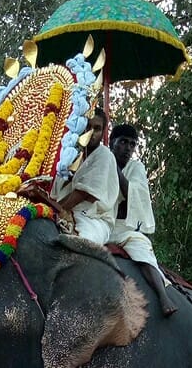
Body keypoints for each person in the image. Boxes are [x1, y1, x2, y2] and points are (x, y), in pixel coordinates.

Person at [108, 123, 176, 317]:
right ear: (112, 142)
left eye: (132, 144)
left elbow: (134, 194)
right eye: (123, 142)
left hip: (124, 229)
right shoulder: (100, 161)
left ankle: (164, 298)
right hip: (100, 224)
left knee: (143, 251)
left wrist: (114, 168)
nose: (128, 148)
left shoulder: (135, 167)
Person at [48, 106, 120, 245]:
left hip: (93, 219)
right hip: (64, 210)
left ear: (103, 132)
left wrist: (53, 211)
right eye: (87, 126)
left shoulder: (104, 155)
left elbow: (84, 193)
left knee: (81, 244)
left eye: (97, 128)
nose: (91, 132)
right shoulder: (70, 154)